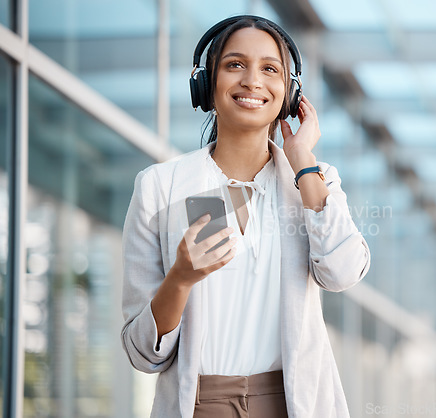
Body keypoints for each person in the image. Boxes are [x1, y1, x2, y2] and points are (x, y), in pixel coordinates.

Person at [121, 15, 370, 418]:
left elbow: (341, 273)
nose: (253, 81)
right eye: (235, 64)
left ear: (290, 94)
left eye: (270, 69)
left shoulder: (315, 181)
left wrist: (303, 164)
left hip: (293, 403)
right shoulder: (159, 187)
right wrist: (180, 278)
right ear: (206, 85)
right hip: (200, 405)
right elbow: (142, 353)